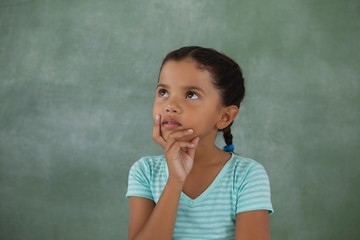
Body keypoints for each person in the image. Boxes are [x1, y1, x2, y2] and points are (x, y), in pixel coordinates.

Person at [126, 46, 273, 239]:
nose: (170, 105)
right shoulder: (145, 171)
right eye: (163, 92)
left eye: (191, 95)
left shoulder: (246, 176)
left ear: (225, 116)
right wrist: (175, 182)